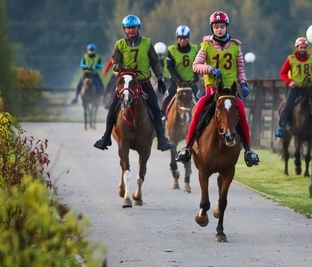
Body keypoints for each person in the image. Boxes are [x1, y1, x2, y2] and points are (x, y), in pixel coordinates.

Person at [175, 11, 260, 167]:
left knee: (241, 111)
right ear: (212, 28)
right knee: (199, 109)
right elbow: (196, 65)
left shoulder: (235, 46)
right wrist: (210, 69)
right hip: (213, 90)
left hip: (232, 91)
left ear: (226, 27)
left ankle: (248, 150)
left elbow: (240, 67)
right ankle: (187, 148)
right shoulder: (206, 46)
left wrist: (243, 83)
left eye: (222, 26)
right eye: (216, 27)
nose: (219, 30)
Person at [93, 14, 175, 151]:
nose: (131, 30)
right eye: (129, 28)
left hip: (143, 82)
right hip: (126, 82)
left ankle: (162, 139)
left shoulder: (147, 43)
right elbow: (115, 63)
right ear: (125, 29)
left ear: (138, 28)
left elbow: (155, 62)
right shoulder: (119, 45)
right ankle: (106, 138)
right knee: (113, 106)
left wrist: (160, 79)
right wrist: (122, 68)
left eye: (134, 28)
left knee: (155, 107)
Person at [274, 37, 312, 139]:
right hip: (295, 89)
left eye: (305, 48)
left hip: (308, 89)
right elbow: (282, 73)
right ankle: (281, 127)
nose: (303, 50)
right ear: (297, 47)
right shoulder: (290, 59)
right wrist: (290, 81)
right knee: (288, 105)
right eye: (301, 47)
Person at [160, 25, 200, 115]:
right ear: (177, 39)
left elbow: (198, 63)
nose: (182, 41)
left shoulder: (194, 49)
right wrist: (177, 78)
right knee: (166, 97)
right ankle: (162, 118)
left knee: (199, 98)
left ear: (188, 38)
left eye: (185, 38)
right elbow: (170, 66)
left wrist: (196, 76)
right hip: (177, 83)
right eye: (180, 38)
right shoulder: (172, 50)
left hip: (190, 82)